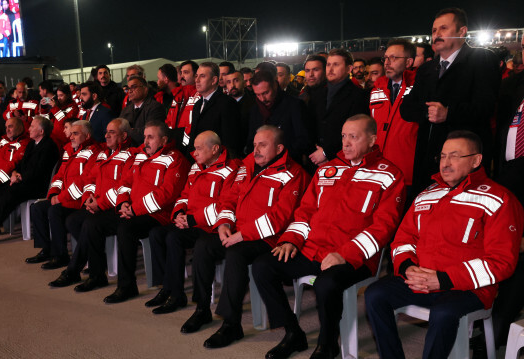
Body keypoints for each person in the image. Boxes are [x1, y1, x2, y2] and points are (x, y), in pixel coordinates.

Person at [252, 115, 405, 359]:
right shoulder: (327, 169)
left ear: (373, 139)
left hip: (355, 257)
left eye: (353, 137)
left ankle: (327, 343)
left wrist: (344, 255)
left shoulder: (390, 175)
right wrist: (291, 239)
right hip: (313, 248)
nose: (345, 143)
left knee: (326, 283)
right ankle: (293, 333)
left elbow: (383, 228)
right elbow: (305, 212)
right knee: (263, 267)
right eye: (344, 136)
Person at [365, 131, 524, 359]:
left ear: (476, 160)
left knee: (443, 313)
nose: (446, 163)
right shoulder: (426, 195)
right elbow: (403, 240)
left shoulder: (500, 199)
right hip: (421, 278)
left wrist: (444, 279)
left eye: (455, 156)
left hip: (468, 289)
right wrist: (408, 267)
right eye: (442, 156)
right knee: (375, 294)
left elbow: (502, 261)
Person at [186, 126, 309, 346]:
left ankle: (231, 325)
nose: (256, 150)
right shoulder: (247, 165)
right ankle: (202, 308)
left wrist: (243, 235)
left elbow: (281, 217)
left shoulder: (294, 174)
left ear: (279, 148)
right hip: (239, 231)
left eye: (263, 145)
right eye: (254, 144)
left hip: (270, 238)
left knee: (235, 254)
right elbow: (230, 198)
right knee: (204, 244)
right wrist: (224, 222)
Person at [400, 7, 501, 194]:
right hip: (429, 159)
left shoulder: (482, 59)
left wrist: (449, 113)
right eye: (434, 31)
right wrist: (427, 112)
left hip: (465, 161)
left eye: (443, 29)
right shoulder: (426, 69)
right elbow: (407, 107)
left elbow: (485, 106)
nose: (436, 35)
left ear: (461, 32)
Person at [146, 131, 239, 314]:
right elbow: (184, 195)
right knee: (157, 234)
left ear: (215, 149)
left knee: (174, 238)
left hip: (212, 227)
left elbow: (226, 206)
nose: (194, 153)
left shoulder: (232, 168)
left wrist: (191, 219)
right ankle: (169, 287)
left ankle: (178, 296)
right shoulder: (197, 167)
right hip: (192, 222)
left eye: (198, 148)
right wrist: (179, 213)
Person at [46, 118, 140, 291]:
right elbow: (90, 179)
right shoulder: (104, 153)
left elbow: (124, 186)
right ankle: (94, 264)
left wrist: (101, 203)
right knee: (73, 221)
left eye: (112, 132)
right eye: (106, 132)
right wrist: (89, 198)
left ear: (124, 135)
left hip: (117, 206)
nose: (107, 135)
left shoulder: (131, 155)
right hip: (99, 204)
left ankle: (80, 272)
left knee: (90, 224)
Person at [102, 121, 189, 304]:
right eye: (145, 137)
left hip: (159, 215)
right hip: (133, 211)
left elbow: (166, 195)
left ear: (164, 139)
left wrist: (134, 209)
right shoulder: (140, 155)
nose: (146, 141)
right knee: (96, 222)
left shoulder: (176, 159)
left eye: (151, 137)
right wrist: (123, 203)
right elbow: (124, 183)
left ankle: (126, 286)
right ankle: (98, 275)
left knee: (126, 229)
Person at [490, 33, 524, 351]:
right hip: (511, 178)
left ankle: (501, 327)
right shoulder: (512, 85)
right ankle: (497, 327)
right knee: (512, 252)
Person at [27, 120, 99, 269]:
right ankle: (47, 249)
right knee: (37, 208)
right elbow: (59, 175)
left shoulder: (94, 152)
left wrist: (61, 198)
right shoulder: (69, 150)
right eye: (71, 133)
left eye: (76, 133)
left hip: (79, 201)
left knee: (55, 211)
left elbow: (83, 182)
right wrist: (53, 193)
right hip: (65, 197)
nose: (71, 137)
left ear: (87, 136)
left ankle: (61, 256)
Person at [370, 39, 418, 194]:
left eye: (394, 58)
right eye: (385, 58)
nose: (387, 63)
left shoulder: (419, 88)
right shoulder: (377, 89)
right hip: (378, 172)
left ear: (409, 62)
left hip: (407, 173)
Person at [307, 48, 369, 167]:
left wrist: (326, 153)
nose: (330, 69)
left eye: (336, 65)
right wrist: (315, 151)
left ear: (349, 69)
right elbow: (310, 124)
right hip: (315, 159)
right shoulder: (317, 94)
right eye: (328, 64)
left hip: (343, 160)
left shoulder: (358, 96)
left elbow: (356, 131)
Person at [247, 70, 312, 166]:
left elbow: (303, 139)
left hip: (288, 164)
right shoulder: (255, 110)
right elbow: (251, 139)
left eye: (265, 93)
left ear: (275, 85)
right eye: (258, 95)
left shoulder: (295, 105)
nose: (262, 99)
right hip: (261, 165)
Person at [189, 62, 242, 156]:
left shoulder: (227, 103)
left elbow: (230, 141)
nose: (197, 80)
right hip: (199, 160)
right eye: (196, 76)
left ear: (214, 80)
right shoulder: (197, 105)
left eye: (202, 76)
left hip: (218, 162)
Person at [119, 77, 165, 145]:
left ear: (145, 89)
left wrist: (128, 132)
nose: (130, 91)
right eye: (128, 88)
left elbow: (149, 133)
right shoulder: (126, 110)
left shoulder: (155, 107)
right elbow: (119, 131)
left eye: (133, 87)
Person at [166, 60, 200, 148]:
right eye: (181, 73)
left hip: (193, 144)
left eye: (186, 72)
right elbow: (169, 121)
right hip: (175, 143)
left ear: (196, 75)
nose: (182, 76)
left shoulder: (200, 95)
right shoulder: (177, 95)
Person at [224, 71, 254, 153]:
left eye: (236, 81)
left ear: (244, 83)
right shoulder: (223, 104)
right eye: (229, 82)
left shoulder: (254, 104)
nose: (232, 85)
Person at [47, 84, 80, 150]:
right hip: (54, 139)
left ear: (68, 95)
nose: (59, 98)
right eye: (58, 95)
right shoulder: (58, 106)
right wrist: (44, 108)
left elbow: (64, 122)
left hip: (65, 141)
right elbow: (49, 119)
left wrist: (55, 108)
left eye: (61, 95)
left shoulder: (73, 107)